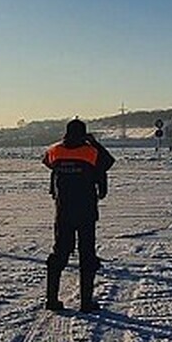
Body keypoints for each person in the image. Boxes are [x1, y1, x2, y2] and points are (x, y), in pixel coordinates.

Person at [42, 118, 115, 312]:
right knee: (87, 255)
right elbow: (108, 162)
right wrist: (94, 142)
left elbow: (46, 160)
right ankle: (86, 302)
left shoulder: (55, 151)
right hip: (86, 210)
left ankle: (51, 300)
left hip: (63, 210)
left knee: (59, 253)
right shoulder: (91, 151)